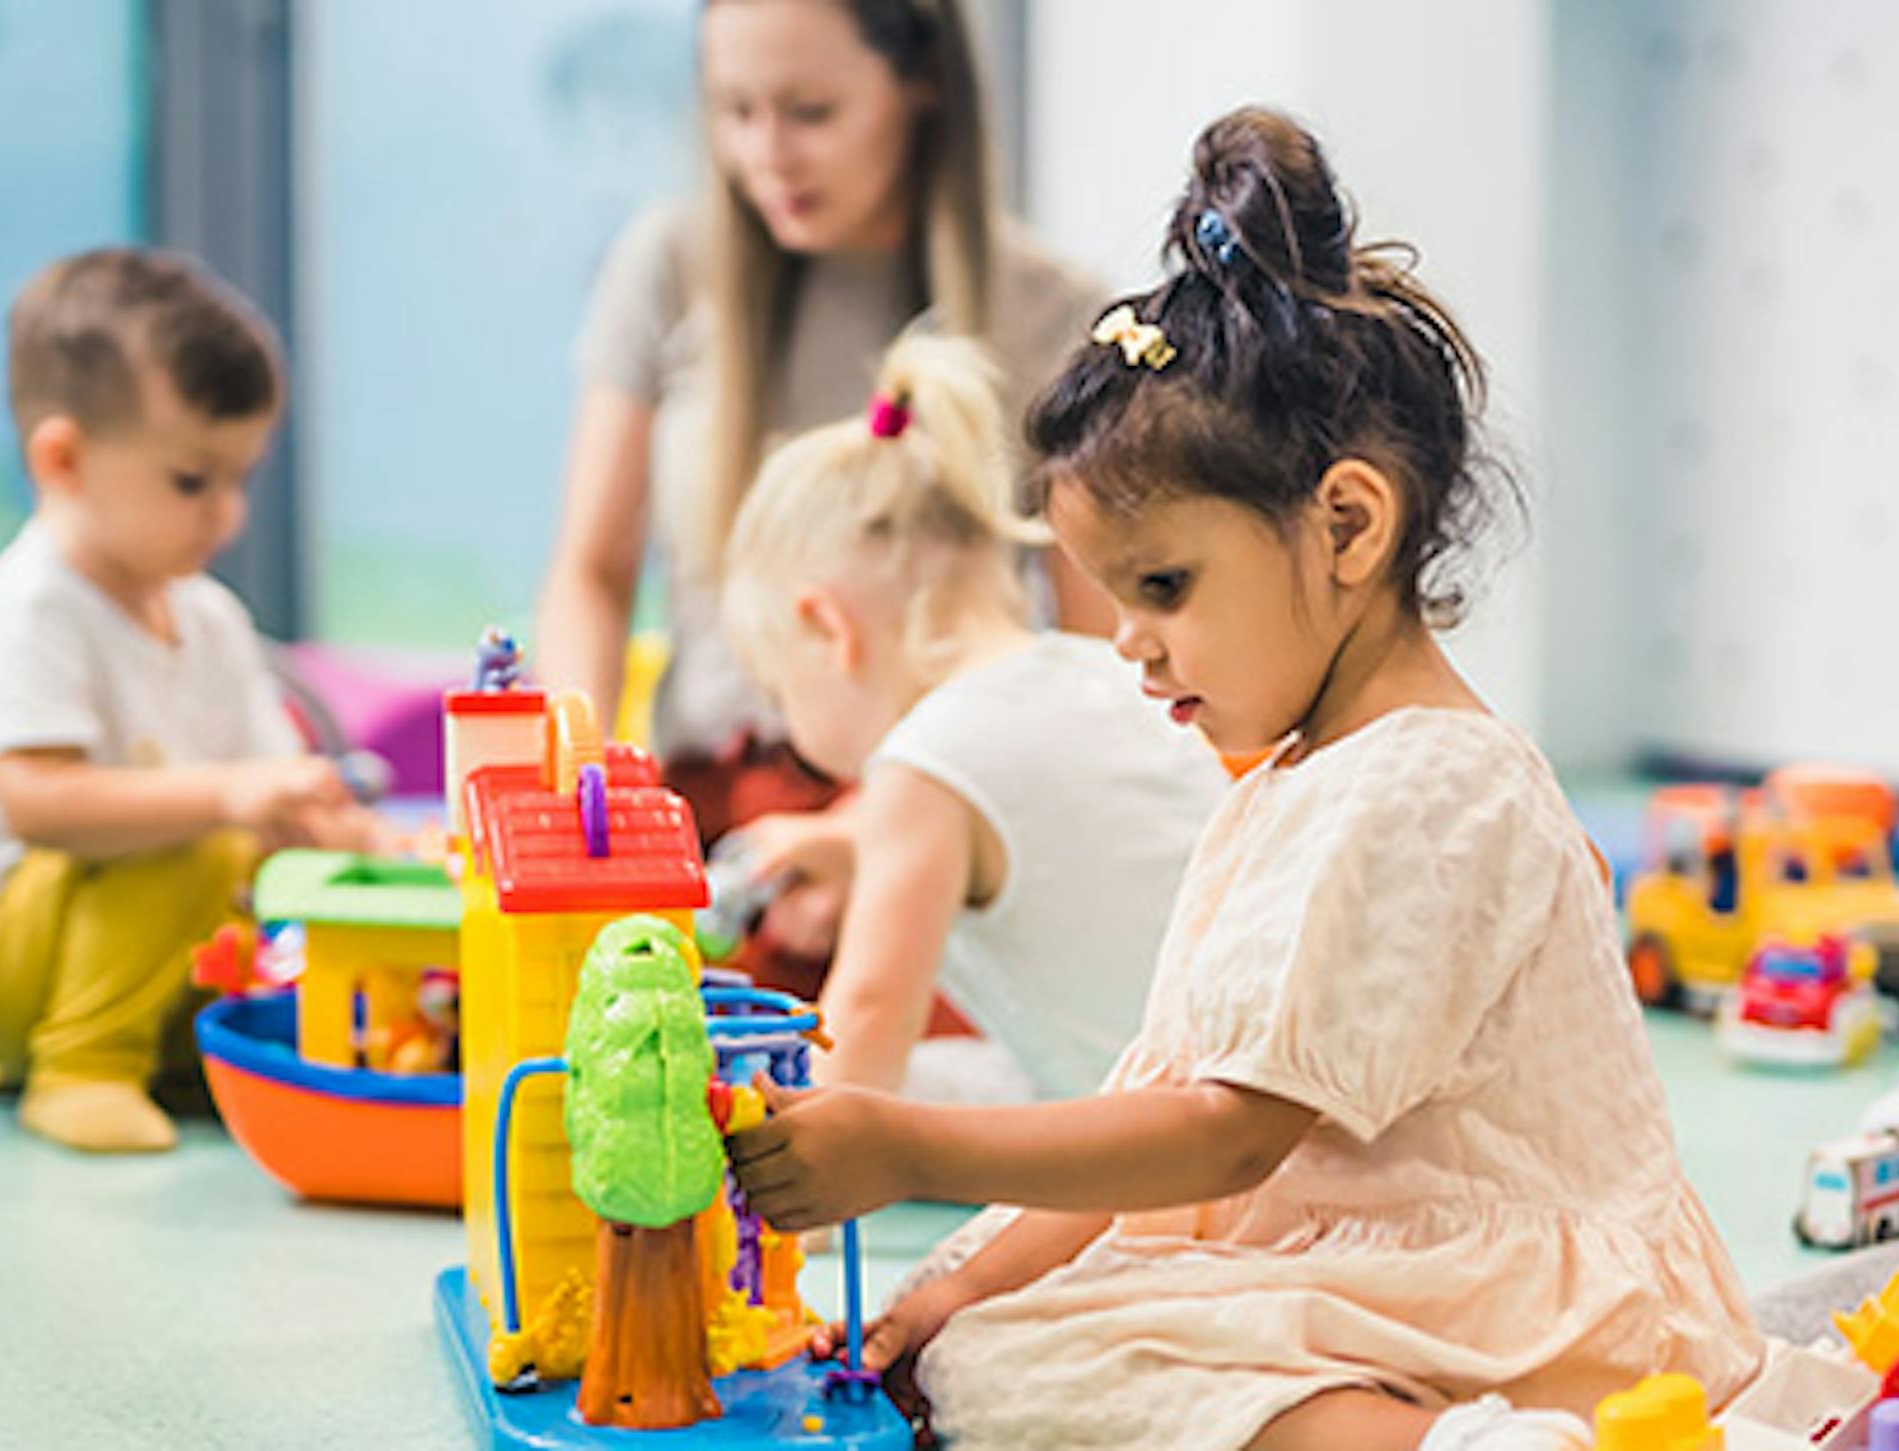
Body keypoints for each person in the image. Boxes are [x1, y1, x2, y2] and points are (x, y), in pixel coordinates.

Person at [727, 109, 1764, 1450]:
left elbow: (1223, 1134)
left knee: (1067, 1375)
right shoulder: (1286, 774)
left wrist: (917, 1147)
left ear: (1345, 523)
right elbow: (1157, 1089)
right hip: (1355, 1251)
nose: (1129, 642)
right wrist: (956, 1279)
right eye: (1113, 596)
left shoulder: (1437, 785)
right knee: (996, 1352)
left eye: (1164, 587)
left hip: (1505, 1303)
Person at [535, 0, 1110, 862]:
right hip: (711, 819)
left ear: (920, 84)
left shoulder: (1051, 313)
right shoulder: (664, 266)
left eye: (811, 113)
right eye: (736, 111)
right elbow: (592, 571)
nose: (767, 156)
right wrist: (574, 784)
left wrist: (874, 835)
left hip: (950, 821)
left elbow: (1091, 658)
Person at [0, 249, 398, 1154]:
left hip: (123, 929)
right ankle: (81, 1061)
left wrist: (379, 848)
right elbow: (38, 801)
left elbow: (276, 796)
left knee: (254, 866)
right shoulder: (32, 606)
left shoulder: (208, 617)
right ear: (64, 459)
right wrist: (229, 797)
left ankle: (174, 1052)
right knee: (198, 834)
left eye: (240, 478)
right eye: (191, 480)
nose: (228, 513)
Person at [721, 332, 1225, 1102]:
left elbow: (858, 1049)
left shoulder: (925, 765)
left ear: (828, 629)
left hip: (1167, 1162)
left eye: (776, 687)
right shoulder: (1104, 672)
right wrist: (850, 846)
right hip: (1253, 1110)